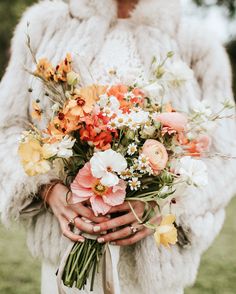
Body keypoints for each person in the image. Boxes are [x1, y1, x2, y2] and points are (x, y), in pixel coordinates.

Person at [0, 0, 235, 293]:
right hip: (69, 252)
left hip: (153, 265)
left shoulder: (197, 43)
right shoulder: (44, 25)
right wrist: (46, 190)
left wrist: (164, 204)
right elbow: (8, 127)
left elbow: (225, 154)